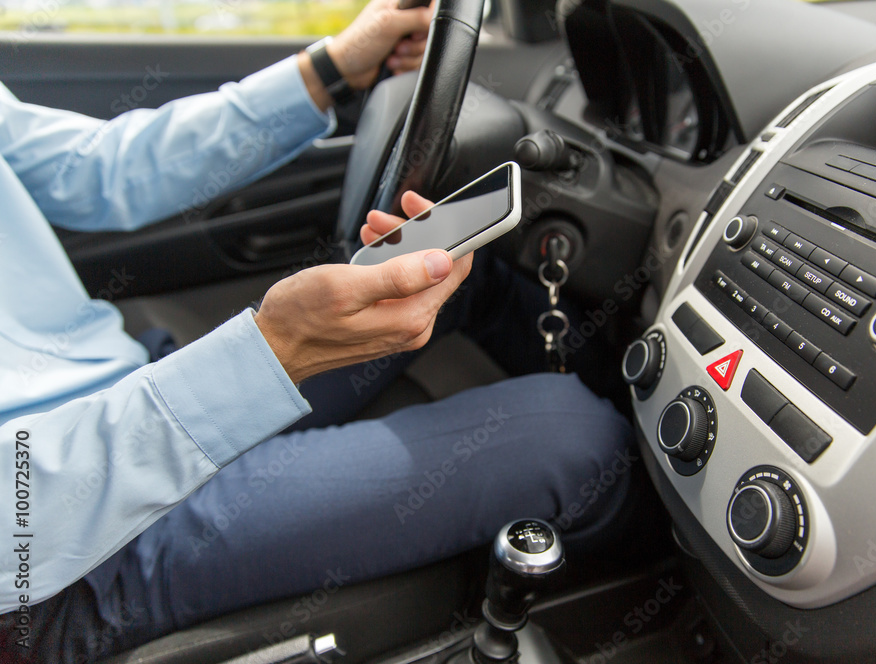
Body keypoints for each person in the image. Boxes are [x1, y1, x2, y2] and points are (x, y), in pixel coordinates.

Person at [0, 2, 635, 662]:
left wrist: (329, 67)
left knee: (458, 276)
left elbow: (98, 166)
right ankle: (655, 597)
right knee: (579, 439)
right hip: (59, 552)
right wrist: (273, 354)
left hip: (121, 393)